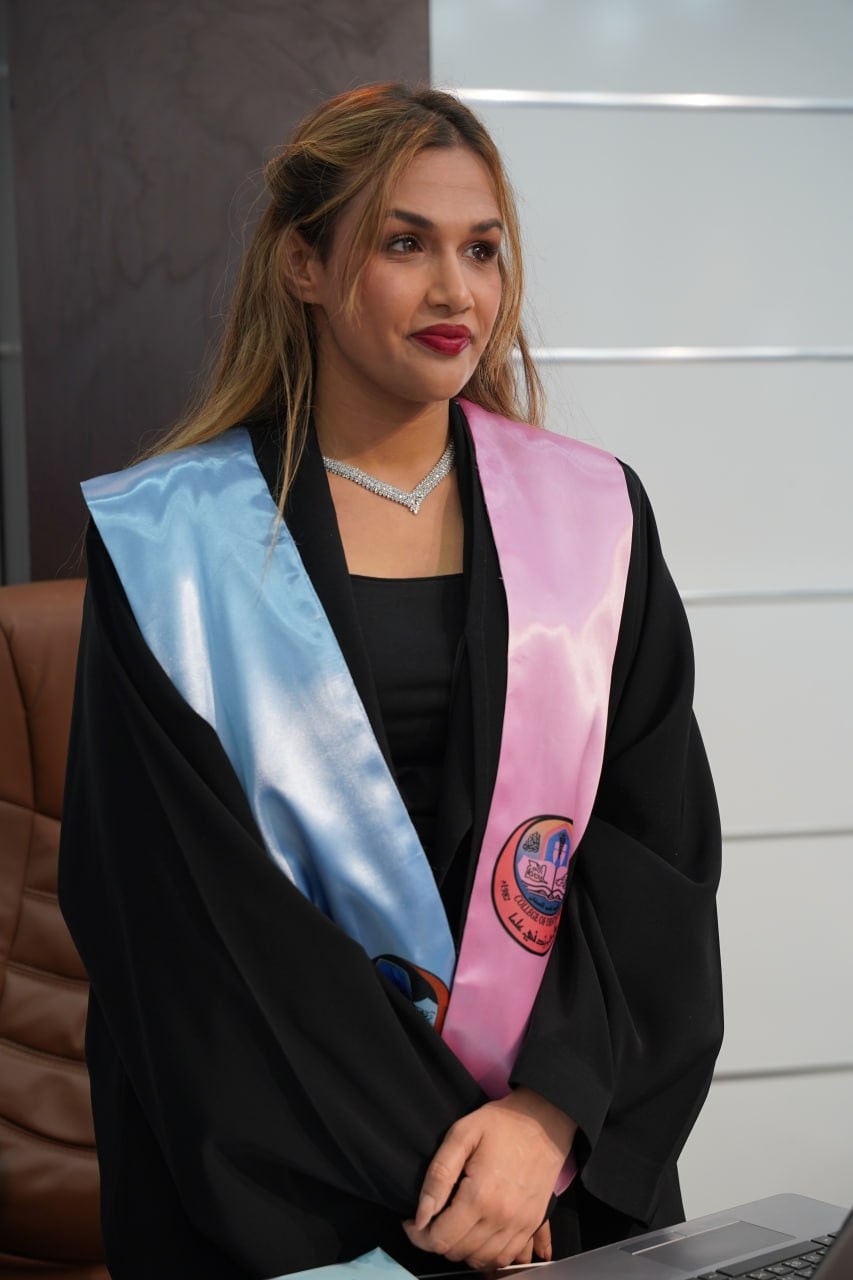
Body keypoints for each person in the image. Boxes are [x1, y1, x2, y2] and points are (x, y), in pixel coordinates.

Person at [59, 83, 723, 1278]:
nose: (455, 290)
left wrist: (546, 1118)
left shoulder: (595, 516)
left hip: (551, 1174)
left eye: (481, 248)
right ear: (304, 265)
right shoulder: (171, 544)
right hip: (290, 1185)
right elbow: (183, 920)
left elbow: (652, 855)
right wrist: (459, 1180)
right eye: (404, 243)